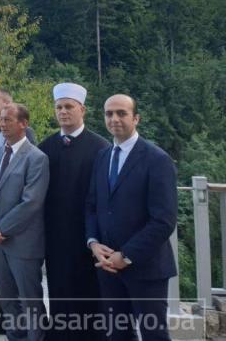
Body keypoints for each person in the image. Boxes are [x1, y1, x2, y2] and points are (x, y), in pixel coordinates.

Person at [85, 95, 177, 341]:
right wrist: (93, 243)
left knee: (153, 334)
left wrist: (125, 256)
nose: (114, 118)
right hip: (107, 267)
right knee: (117, 334)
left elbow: (164, 220)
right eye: (109, 113)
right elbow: (92, 206)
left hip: (146, 268)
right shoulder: (103, 157)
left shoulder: (157, 160)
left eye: (121, 113)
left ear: (136, 118)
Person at [39, 83, 108, 341]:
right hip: (56, 237)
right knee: (58, 289)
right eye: (59, 107)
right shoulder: (45, 148)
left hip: (88, 236)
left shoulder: (101, 148)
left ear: (82, 110)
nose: (63, 112)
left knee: (89, 293)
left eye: (69, 107)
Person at [0, 103, 49, 341]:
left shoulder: (37, 158)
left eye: (8, 120)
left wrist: (1, 229)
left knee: (30, 302)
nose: (2, 124)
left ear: (24, 123)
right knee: (8, 301)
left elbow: (31, 202)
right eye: (1, 120)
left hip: (22, 244)